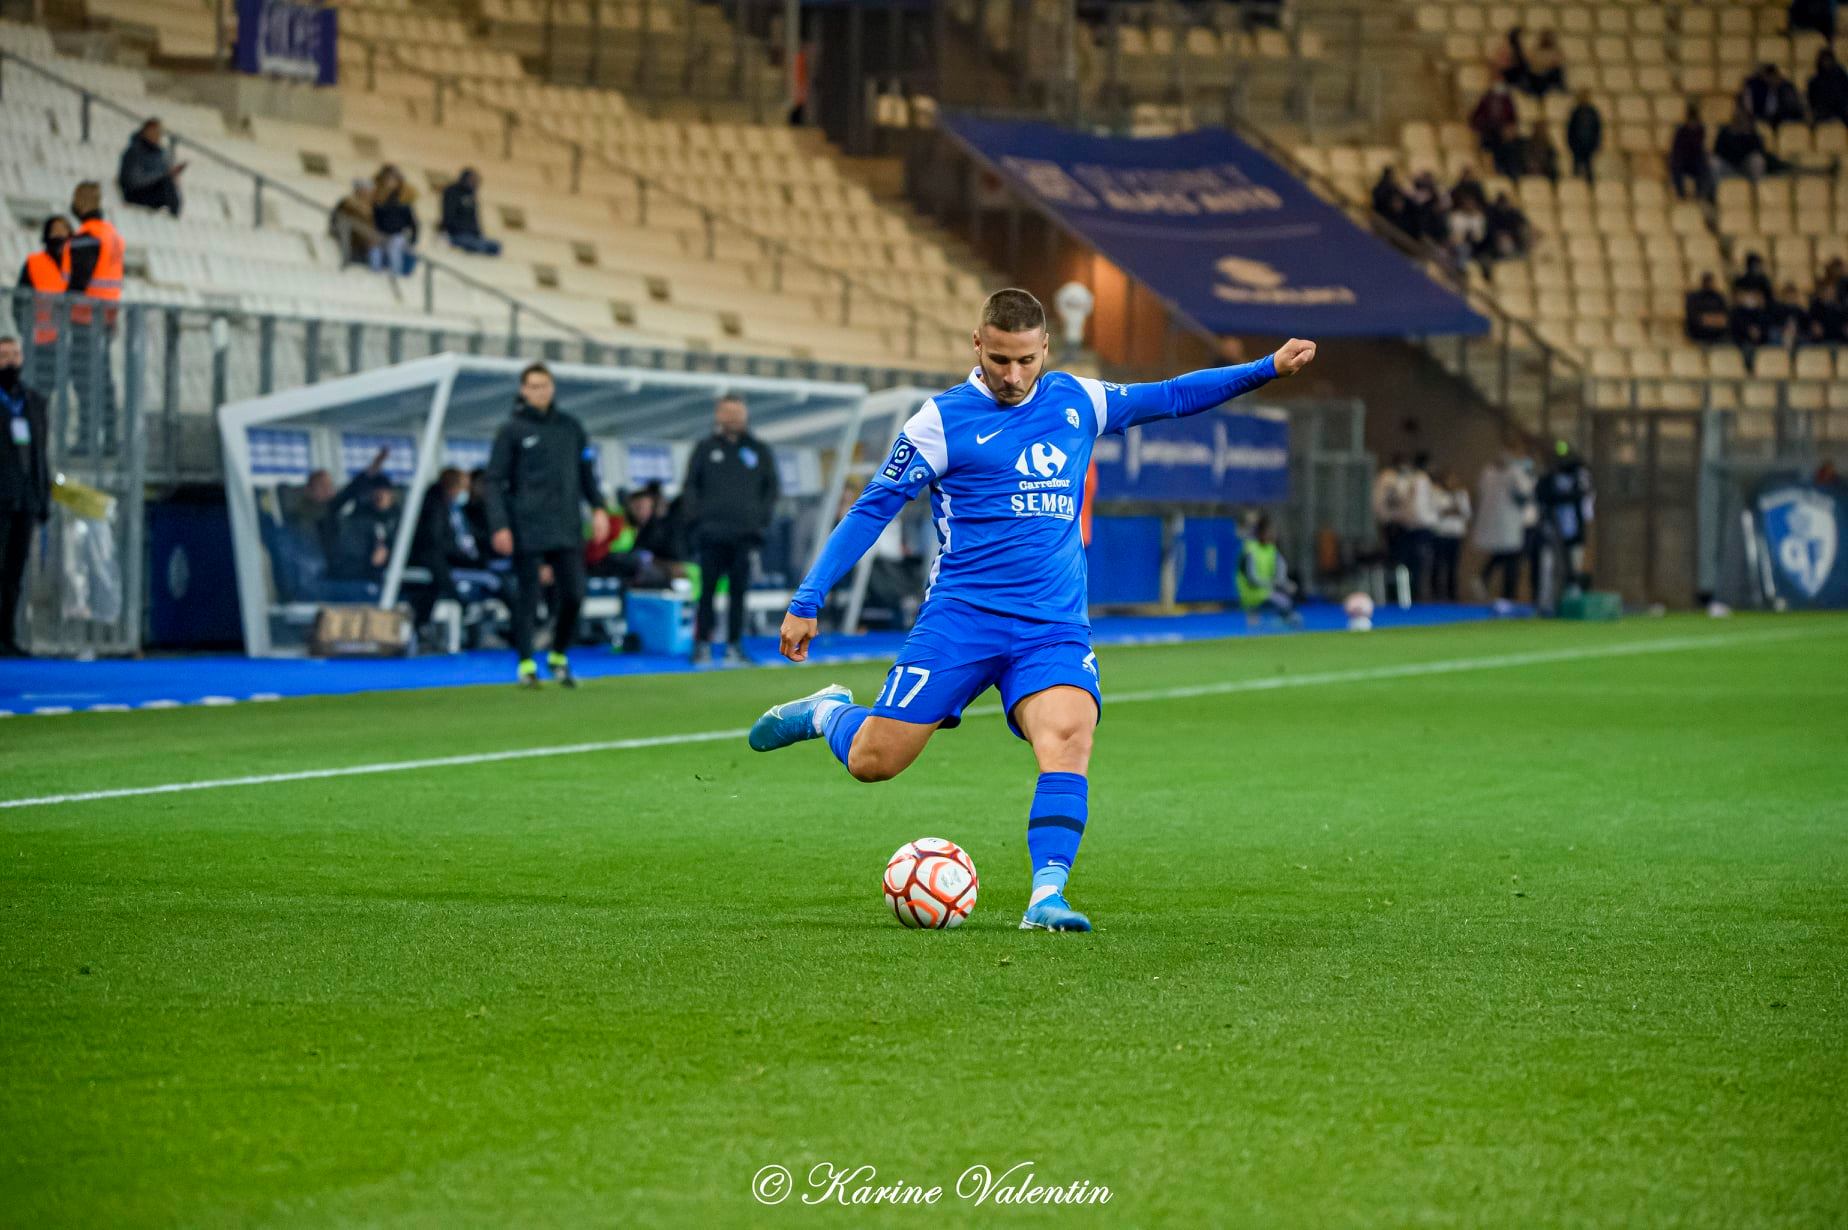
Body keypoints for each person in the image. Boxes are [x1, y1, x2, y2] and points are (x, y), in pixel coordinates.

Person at [746, 288, 1318, 933]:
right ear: (977, 346)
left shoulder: (1077, 399)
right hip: (961, 619)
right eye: (999, 360)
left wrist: (1265, 368)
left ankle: (1046, 895)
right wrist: (807, 598)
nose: (1013, 376)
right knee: (876, 762)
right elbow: (872, 508)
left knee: (1070, 738)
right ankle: (827, 712)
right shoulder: (939, 422)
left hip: (1051, 626)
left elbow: (1173, 394)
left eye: (1025, 360)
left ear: (1045, 348)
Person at [483, 363, 607, 687]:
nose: (541, 391)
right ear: (524, 390)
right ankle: (526, 663)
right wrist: (500, 525)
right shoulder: (511, 429)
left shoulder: (571, 427)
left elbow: (587, 475)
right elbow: (494, 481)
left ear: (552, 388)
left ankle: (559, 654)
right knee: (528, 595)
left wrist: (598, 508)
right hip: (526, 526)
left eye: (546, 385)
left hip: (566, 525)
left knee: (576, 594)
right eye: (534, 386)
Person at [684, 395, 781, 664]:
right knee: (707, 592)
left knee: (739, 593)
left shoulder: (759, 450)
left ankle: (734, 645)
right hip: (711, 535)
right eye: (728, 412)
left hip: (745, 536)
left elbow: (771, 489)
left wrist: (758, 522)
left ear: (746, 415)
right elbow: (690, 486)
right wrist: (697, 521)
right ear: (718, 415)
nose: (733, 418)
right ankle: (702, 644)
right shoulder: (705, 449)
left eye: (738, 412)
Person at [61, 182, 124, 454]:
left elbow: (78, 281)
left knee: (85, 382)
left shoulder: (87, 236)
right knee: (103, 380)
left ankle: (87, 439)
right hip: (106, 318)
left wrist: (62, 304)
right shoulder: (112, 235)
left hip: (85, 318)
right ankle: (109, 438)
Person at [0, 336, 50, 656]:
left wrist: (42, 497)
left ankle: (7, 633)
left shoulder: (32, 400)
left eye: (15, 354)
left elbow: (40, 454)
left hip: (25, 499)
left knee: (15, 571)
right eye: (4, 355)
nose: (11, 361)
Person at [1473, 443, 1532, 602]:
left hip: (1504, 525)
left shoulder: (1490, 473)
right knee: (1510, 557)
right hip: (1509, 524)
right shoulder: (1513, 473)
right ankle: (1507, 595)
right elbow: (1526, 492)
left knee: (1505, 556)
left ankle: (1492, 582)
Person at [1537, 442, 1594, 598]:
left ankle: (1570, 599)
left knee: (1573, 566)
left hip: (1573, 531)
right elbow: (1545, 497)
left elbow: (1583, 498)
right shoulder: (1548, 478)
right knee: (1548, 567)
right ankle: (1546, 602)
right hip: (1552, 531)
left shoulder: (1579, 476)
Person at [15, 217, 71, 369]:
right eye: (54, 230)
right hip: (41, 340)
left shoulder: (78, 264)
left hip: (74, 338)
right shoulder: (34, 263)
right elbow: (19, 300)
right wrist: (25, 328)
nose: (59, 235)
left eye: (63, 230)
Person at [1236, 514, 1302, 629]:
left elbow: (1281, 568)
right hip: (1250, 590)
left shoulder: (1271, 549)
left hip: (1264, 588)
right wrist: (1275, 583)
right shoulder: (1251, 549)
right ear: (1261, 533)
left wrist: (1285, 583)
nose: (1273, 534)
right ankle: (1279, 620)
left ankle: (1279, 620)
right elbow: (1251, 578)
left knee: (1288, 597)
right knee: (1284, 603)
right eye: (1269, 531)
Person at [328, 477, 398, 582]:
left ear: (391, 494)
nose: (379, 496)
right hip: (359, 573)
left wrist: (388, 551)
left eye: (383, 491)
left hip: (392, 572)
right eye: (376, 491)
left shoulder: (401, 518)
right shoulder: (360, 517)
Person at [116, 118, 184, 216]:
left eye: (159, 132)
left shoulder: (160, 153)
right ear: (146, 131)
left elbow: (164, 173)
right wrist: (161, 176)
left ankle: (174, 214)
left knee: (170, 182)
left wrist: (171, 176)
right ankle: (174, 214)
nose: (157, 135)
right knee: (167, 181)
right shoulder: (134, 151)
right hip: (135, 192)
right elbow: (133, 180)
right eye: (154, 131)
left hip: (152, 190)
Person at [368, 165, 418, 277]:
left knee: (394, 247)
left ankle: (396, 275)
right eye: (388, 179)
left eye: (393, 179)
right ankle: (375, 274)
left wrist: (413, 239)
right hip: (381, 233)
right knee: (375, 250)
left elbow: (412, 223)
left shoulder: (403, 201)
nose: (390, 183)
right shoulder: (377, 199)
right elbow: (374, 219)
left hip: (397, 234)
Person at [439, 168, 501, 257]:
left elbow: (475, 219)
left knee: (496, 246)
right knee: (475, 245)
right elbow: (448, 216)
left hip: (473, 236)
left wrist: (477, 233)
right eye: (472, 180)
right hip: (457, 234)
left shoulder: (471, 195)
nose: (475, 183)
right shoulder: (452, 192)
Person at [1714, 103, 1781, 182]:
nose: (1739, 118)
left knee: (1757, 160)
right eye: (1737, 116)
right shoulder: (1725, 132)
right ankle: (1716, 192)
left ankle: (1756, 191)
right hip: (1728, 166)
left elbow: (1759, 151)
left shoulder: (1752, 133)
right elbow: (1718, 152)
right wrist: (1734, 136)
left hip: (1746, 167)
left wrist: (1746, 134)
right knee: (1714, 162)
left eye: (1742, 116)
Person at [1432, 471, 1471, 603]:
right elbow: (1438, 512)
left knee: (1453, 566)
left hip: (1456, 534)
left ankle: (1452, 594)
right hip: (1441, 534)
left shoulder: (1461, 494)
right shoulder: (1437, 492)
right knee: (1438, 564)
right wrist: (1452, 510)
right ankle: (1437, 593)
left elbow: (1466, 513)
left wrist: (1453, 509)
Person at [1740, 65, 1807, 131]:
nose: (1770, 80)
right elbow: (1752, 110)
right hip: (1765, 120)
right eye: (1766, 78)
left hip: (1782, 122)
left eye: (1772, 77)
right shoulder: (1758, 89)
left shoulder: (1786, 89)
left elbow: (1793, 110)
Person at [1669, 104, 1714, 200]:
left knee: (1702, 165)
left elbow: (1701, 149)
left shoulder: (1701, 131)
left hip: (1696, 161)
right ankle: (1680, 195)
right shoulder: (1681, 132)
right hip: (1683, 161)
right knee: (1676, 165)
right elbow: (1677, 150)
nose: (1693, 124)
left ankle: (1701, 195)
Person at [330, 179, 375, 266]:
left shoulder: (372, 206)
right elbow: (337, 218)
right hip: (349, 234)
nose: (366, 192)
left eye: (368, 190)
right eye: (364, 190)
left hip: (364, 238)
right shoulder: (347, 202)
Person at [1470, 83, 1518, 163]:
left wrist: (1508, 130)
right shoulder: (1485, 101)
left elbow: (1513, 120)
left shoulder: (1507, 102)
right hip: (1488, 134)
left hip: (1502, 137)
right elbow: (1474, 119)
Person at [1566, 92, 1603, 182]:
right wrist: (1572, 144)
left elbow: (1597, 130)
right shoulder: (1575, 112)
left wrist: (1595, 144)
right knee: (1576, 169)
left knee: (1589, 168)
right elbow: (1570, 130)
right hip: (1577, 146)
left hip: (1589, 146)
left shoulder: (1593, 113)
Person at [1685, 273, 1731, 344]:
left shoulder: (1718, 297)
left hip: (1719, 336)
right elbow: (1694, 317)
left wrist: (1709, 319)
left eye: (1710, 282)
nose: (1709, 284)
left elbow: (1724, 318)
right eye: (1707, 282)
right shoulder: (1694, 297)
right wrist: (1710, 320)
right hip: (1699, 336)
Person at [1809, 48, 1848, 127]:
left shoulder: (1841, 78)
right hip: (1823, 114)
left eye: (1828, 60)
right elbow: (1813, 102)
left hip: (1841, 112)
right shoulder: (1814, 82)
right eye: (1824, 60)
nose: (1826, 63)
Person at [1485, 192, 1530, 259]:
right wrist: (1500, 235)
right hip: (1498, 239)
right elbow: (1490, 228)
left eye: (1506, 203)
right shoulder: (1491, 213)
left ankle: (1522, 254)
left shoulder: (1513, 212)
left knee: (1526, 233)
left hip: (1513, 237)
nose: (1505, 205)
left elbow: (1524, 223)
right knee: (1504, 241)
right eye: (1502, 203)